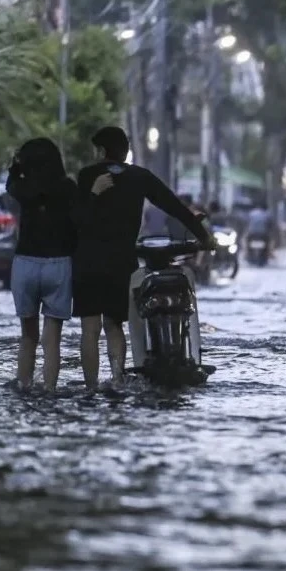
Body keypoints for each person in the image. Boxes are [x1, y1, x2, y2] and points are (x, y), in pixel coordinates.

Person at [74, 126, 213, 389]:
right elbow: (173, 205)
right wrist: (203, 235)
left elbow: (78, 218)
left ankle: (91, 388)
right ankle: (116, 380)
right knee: (114, 325)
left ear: (102, 151)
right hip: (122, 263)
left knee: (90, 329)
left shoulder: (87, 175)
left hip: (88, 263)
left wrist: (93, 193)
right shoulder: (140, 177)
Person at [6, 137, 112, 392]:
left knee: (28, 335)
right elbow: (81, 219)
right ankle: (50, 389)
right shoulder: (67, 188)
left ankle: (24, 384)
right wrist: (95, 193)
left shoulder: (23, 187)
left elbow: (10, 183)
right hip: (59, 265)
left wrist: (15, 165)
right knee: (51, 339)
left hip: (26, 264)